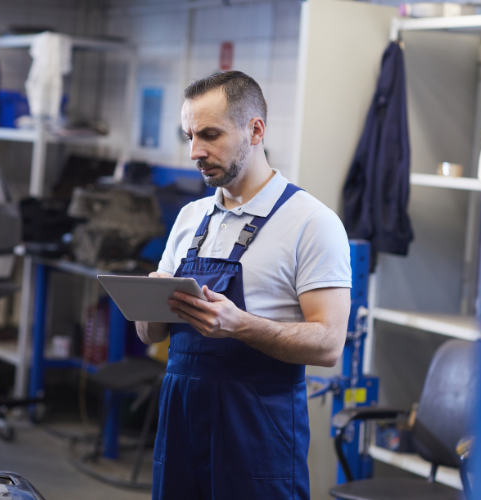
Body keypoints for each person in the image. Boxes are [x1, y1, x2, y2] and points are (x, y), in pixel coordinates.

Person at [135, 71, 351, 500]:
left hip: (256, 433)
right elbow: (151, 334)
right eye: (189, 136)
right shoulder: (189, 218)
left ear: (256, 130)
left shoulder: (312, 222)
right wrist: (148, 304)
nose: (196, 151)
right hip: (179, 422)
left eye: (211, 135)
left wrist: (239, 325)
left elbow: (328, 344)